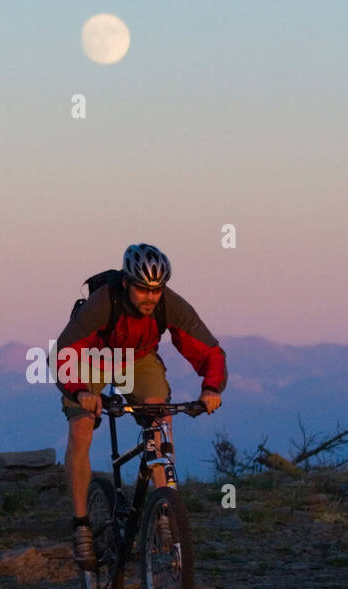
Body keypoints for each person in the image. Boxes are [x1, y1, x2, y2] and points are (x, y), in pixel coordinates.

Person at [56, 244, 227, 569]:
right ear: (125, 283)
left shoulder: (170, 305)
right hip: (89, 359)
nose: (150, 297)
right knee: (81, 430)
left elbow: (209, 351)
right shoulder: (102, 303)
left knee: (159, 414)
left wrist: (211, 387)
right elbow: (64, 353)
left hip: (137, 358)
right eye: (142, 289)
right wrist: (80, 393)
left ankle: (163, 510)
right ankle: (81, 525)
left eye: (156, 290)